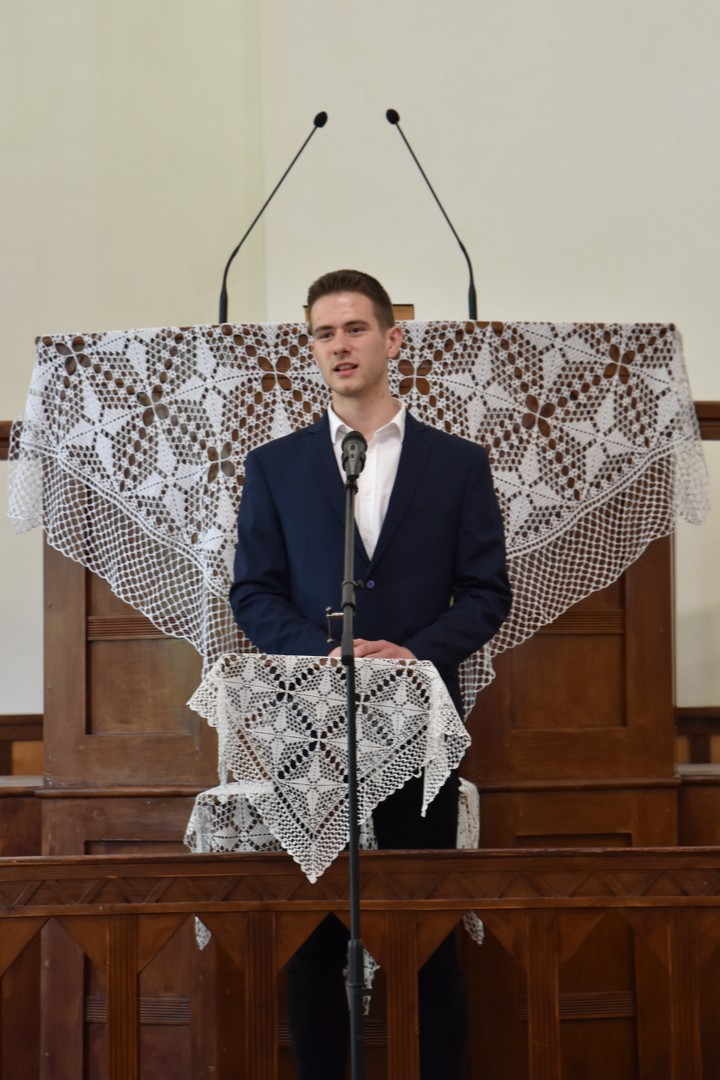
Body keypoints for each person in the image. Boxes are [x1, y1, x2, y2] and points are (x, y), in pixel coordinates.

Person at [229, 268, 512, 1079]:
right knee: (315, 940)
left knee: (426, 936)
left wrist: (414, 653)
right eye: (324, 333)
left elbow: (487, 592)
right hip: (311, 725)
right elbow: (253, 590)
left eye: (355, 328)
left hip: (420, 724)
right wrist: (321, 652)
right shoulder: (277, 466)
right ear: (312, 349)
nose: (340, 345)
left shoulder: (456, 463)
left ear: (392, 339)